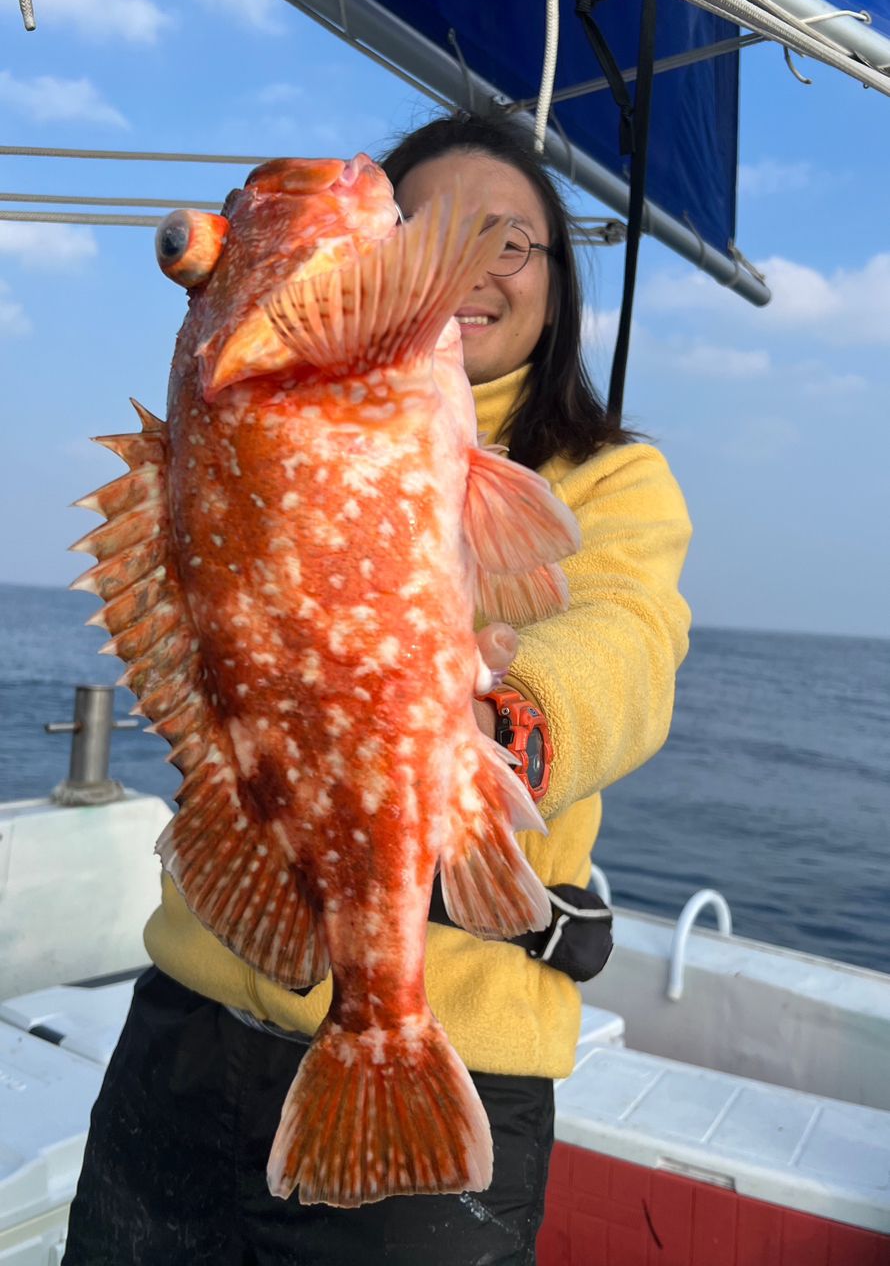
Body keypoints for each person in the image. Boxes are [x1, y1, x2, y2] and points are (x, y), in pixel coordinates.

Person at [63, 111, 691, 1266]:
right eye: (429, 223)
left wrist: (507, 720)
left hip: (458, 1040)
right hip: (194, 1023)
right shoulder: (253, 406)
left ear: (555, 288)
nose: (473, 259)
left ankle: (381, 1018)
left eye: (511, 241)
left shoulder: (608, 476)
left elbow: (631, 636)